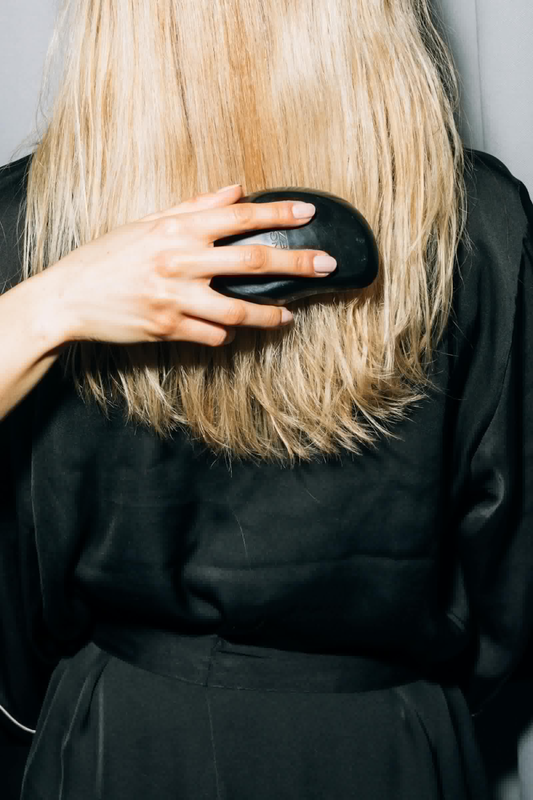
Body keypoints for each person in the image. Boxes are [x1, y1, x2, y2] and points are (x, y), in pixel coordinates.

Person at [0, 0, 532, 797]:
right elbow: (508, 571)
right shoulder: (481, 224)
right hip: (388, 745)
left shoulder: (29, 229)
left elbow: (13, 574)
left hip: (117, 738)